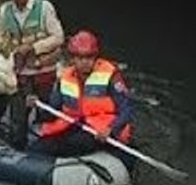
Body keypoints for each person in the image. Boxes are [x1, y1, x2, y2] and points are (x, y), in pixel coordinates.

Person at [0, 0, 64, 147]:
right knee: (18, 118)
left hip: (44, 71)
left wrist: (33, 48)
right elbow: (3, 39)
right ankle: (17, 150)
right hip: (20, 74)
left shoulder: (45, 8)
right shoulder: (5, 10)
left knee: (46, 114)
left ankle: (45, 150)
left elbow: (58, 37)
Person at [28, 30, 133, 161]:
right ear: (73, 58)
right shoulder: (64, 78)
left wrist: (110, 129)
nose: (84, 62)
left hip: (100, 130)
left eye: (89, 57)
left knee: (75, 143)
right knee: (38, 148)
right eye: (80, 58)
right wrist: (38, 105)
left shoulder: (110, 75)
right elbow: (53, 110)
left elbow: (127, 109)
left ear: (95, 57)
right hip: (75, 124)